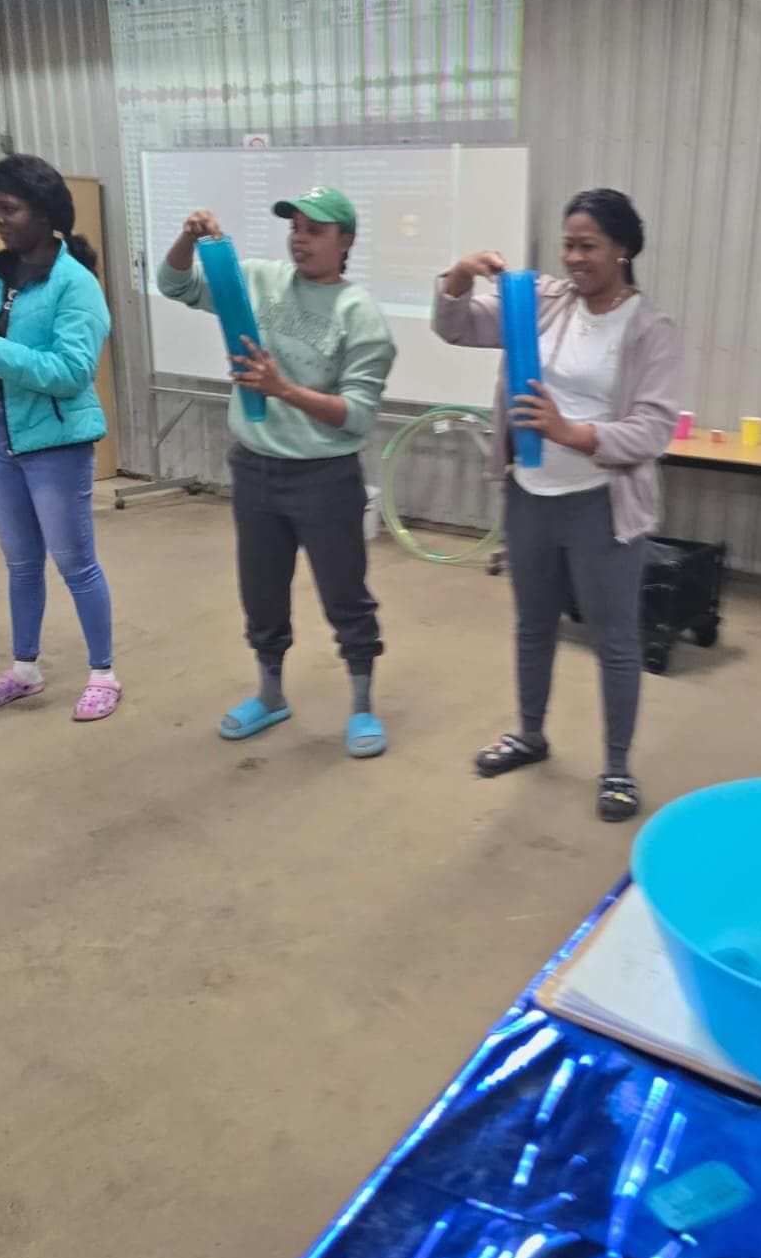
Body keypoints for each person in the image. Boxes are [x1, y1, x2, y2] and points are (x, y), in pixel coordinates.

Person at [435, 188, 681, 821]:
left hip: (600, 503)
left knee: (616, 638)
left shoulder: (649, 329)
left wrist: (572, 432)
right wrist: (459, 276)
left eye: (588, 246)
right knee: (532, 623)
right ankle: (530, 733)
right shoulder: (541, 301)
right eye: (567, 244)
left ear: (624, 248)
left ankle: (618, 767)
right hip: (531, 494)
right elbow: (457, 324)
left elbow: (654, 429)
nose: (574, 258)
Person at [158, 187, 395, 756]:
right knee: (260, 591)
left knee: (345, 595)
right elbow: (176, 285)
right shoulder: (258, 280)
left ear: (346, 243)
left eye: (315, 229)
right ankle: (270, 695)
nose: (300, 238)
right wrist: (189, 239)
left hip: (324, 478)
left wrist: (282, 389)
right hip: (255, 468)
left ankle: (362, 706)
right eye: (295, 227)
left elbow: (356, 415)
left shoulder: (361, 316)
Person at [0, 154, 119, 721]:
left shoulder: (75, 286)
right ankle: (25, 669)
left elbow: (70, 371)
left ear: (44, 213)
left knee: (75, 563)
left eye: (9, 208)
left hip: (54, 445)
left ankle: (103, 673)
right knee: (20, 565)